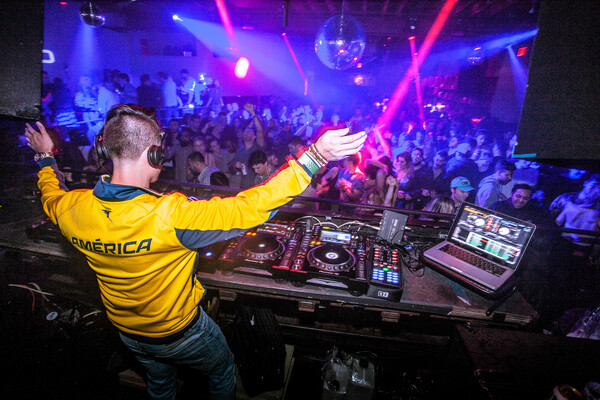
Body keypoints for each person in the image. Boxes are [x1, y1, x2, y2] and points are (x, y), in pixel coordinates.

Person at [25, 104, 366, 400]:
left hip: (127, 332)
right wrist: (313, 157)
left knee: (160, 381)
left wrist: (45, 156)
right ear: (155, 155)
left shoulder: (72, 208)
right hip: (180, 333)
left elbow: (50, 191)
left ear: (105, 150)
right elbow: (251, 206)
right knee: (222, 370)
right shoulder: (171, 215)